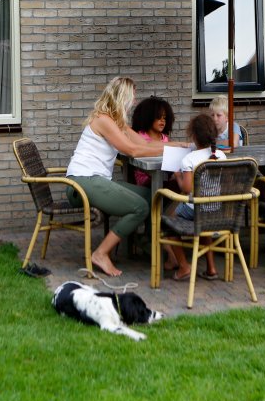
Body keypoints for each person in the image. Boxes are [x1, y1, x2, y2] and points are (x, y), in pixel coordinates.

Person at [65, 77, 187, 277]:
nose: (134, 101)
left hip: (97, 181)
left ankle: (152, 244)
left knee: (152, 196)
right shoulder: (103, 120)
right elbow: (132, 150)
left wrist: (178, 145)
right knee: (139, 207)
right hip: (82, 182)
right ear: (122, 97)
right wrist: (171, 149)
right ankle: (101, 253)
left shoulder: (117, 123)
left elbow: (145, 145)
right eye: (132, 97)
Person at [167, 113, 226, 282]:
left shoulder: (189, 159)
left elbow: (186, 189)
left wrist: (178, 176)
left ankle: (184, 266)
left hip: (197, 209)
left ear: (193, 136)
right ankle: (211, 268)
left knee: (169, 222)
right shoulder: (221, 156)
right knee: (203, 220)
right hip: (217, 209)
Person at [129, 95, 175, 187]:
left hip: (163, 176)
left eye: (165, 118)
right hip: (145, 180)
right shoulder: (139, 137)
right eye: (158, 117)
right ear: (148, 117)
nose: (162, 121)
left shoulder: (164, 138)